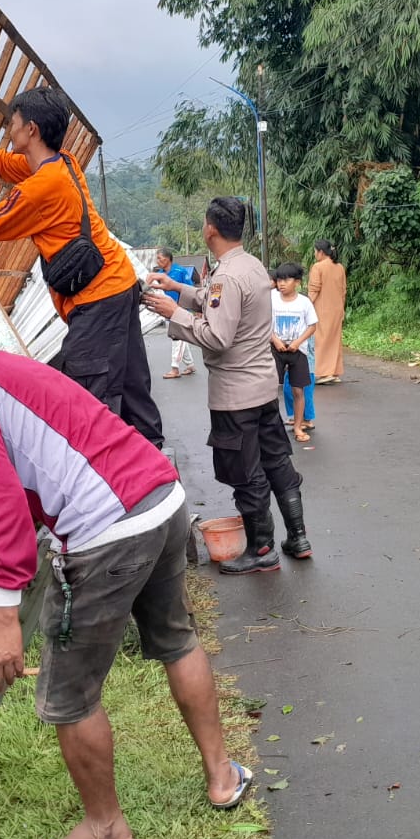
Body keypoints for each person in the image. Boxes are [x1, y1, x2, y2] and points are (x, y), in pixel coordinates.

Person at [0, 300, 252, 839]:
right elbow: (40, 471)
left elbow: (1, 503)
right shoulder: (1, 367)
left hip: (107, 534)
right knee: (177, 639)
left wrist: (4, 617)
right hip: (161, 500)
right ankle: (222, 777)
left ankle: (107, 831)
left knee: (68, 694)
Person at [0, 88, 163, 448]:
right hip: (119, 284)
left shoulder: (41, 188)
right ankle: (155, 465)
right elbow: (4, 164)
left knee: (90, 401)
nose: (9, 131)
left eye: (13, 123)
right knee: (131, 388)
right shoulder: (62, 163)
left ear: (30, 129)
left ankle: (109, 485)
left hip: (97, 300)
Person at [142, 198, 313, 572]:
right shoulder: (251, 267)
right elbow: (216, 302)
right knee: (276, 461)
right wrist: (176, 287)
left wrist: (175, 313)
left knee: (247, 473)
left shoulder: (225, 276)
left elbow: (217, 334)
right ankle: (297, 536)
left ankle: (261, 550)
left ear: (210, 229)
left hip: (235, 395)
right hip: (264, 387)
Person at [269, 263, 318, 442]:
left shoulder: (304, 302)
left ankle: (298, 426)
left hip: (298, 351)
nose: (282, 284)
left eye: (286, 280)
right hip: (276, 348)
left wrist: (298, 342)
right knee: (269, 390)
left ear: (297, 282)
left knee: (298, 390)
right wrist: (275, 340)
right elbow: (264, 322)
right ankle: (271, 428)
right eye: (279, 280)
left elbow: (312, 326)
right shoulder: (271, 298)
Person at [154, 248, 198, 379]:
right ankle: (190, 364)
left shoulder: (180, 271)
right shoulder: (160, 275)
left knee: (177, 338)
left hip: (181, 310)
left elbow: (190, 289)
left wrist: (195, 308)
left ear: (167, 259)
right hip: (167, 310)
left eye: (160, 258)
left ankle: (175, 368)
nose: (158, 261)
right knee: (180, 338)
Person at [308, 239, 347, 383]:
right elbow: (343, 291)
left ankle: (323, 372)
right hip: (337, 309)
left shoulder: (318, 267)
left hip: (322, 309)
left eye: (315, 251)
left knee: (320, 340)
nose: (314, 254)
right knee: (334, 340)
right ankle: (334, 371)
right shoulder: (340, 267)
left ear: (321, 252)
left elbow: (314, 289)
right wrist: (341, 307)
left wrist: (306, 305)